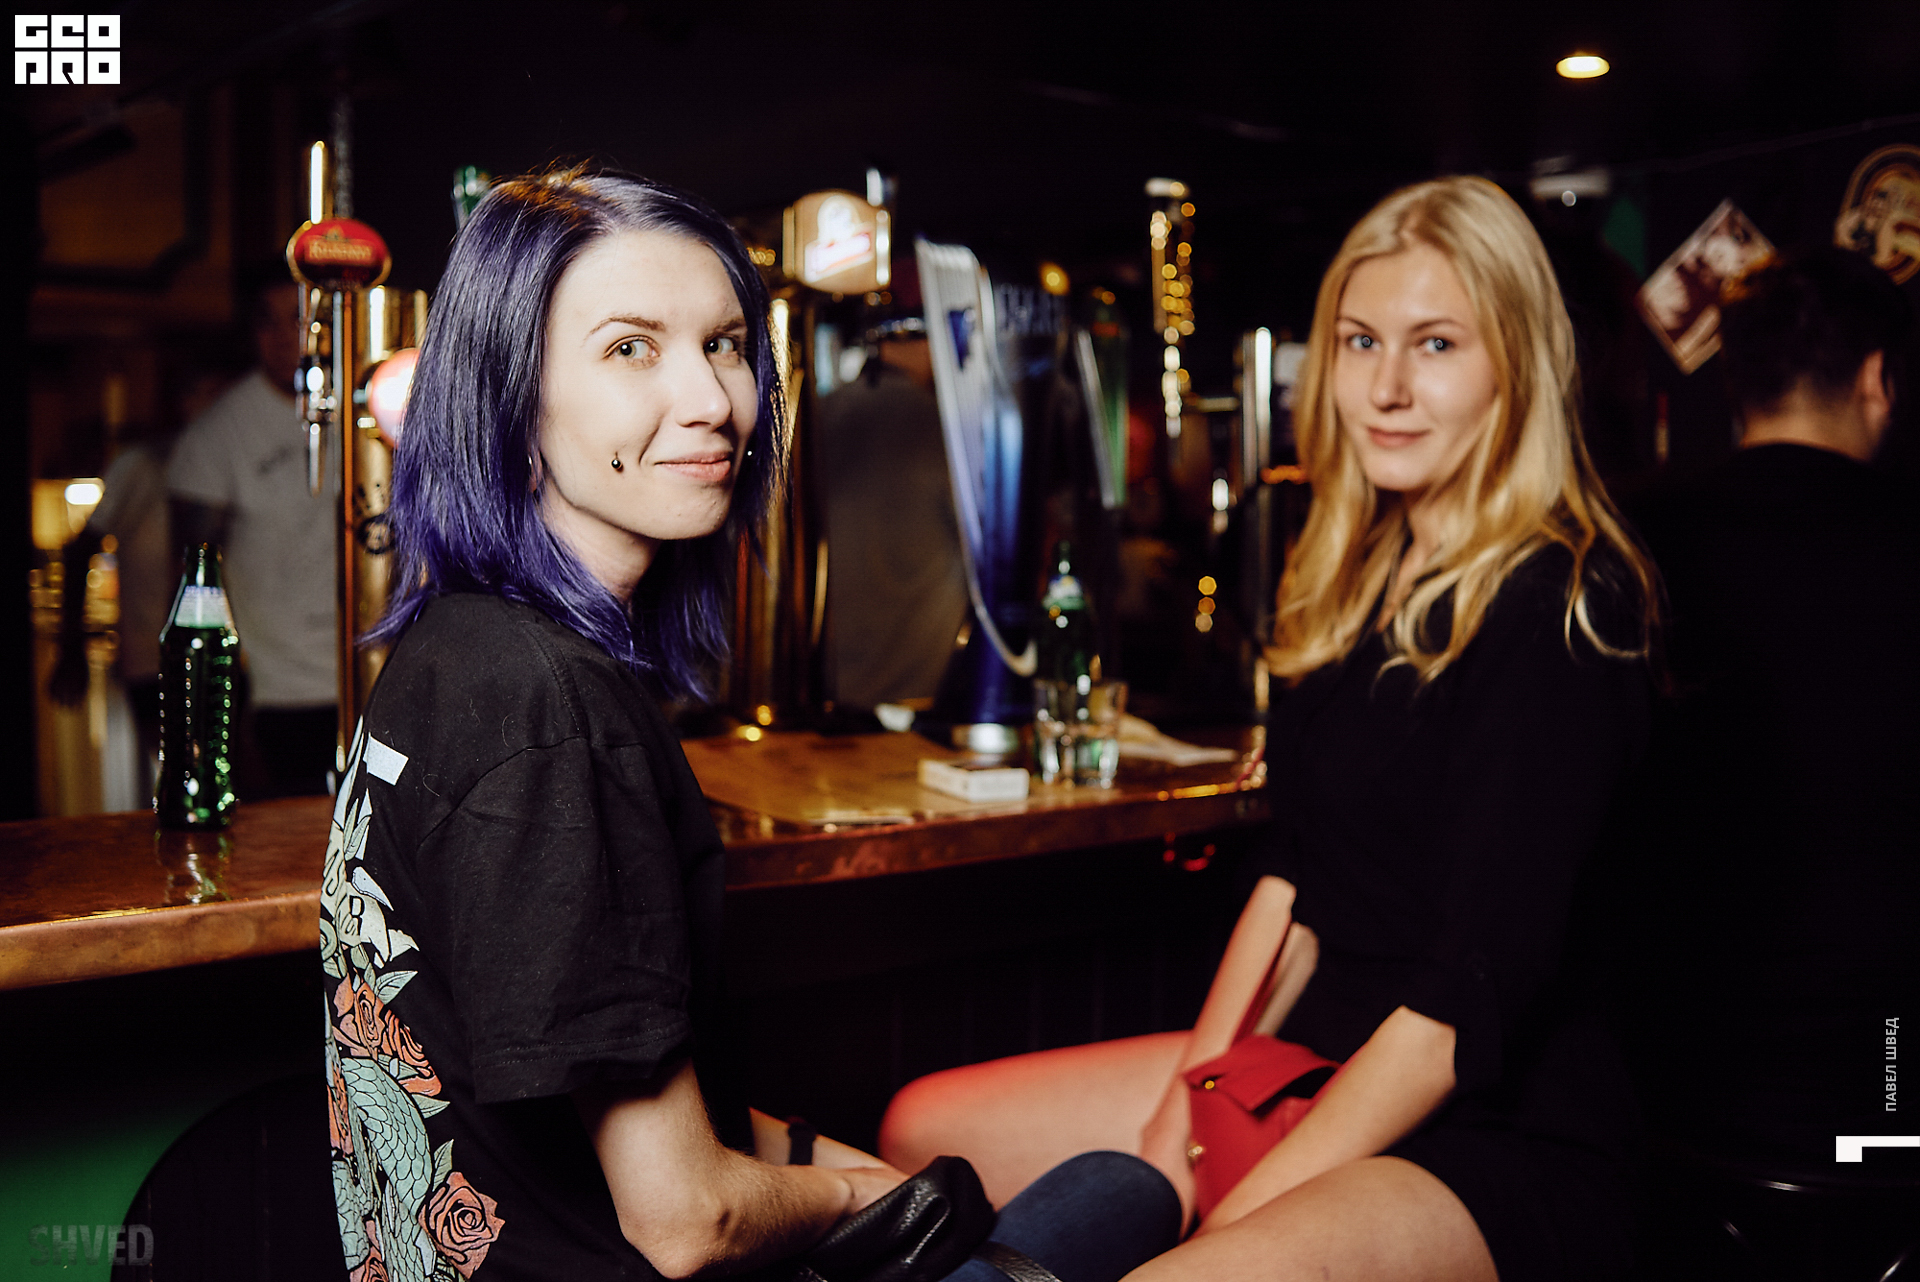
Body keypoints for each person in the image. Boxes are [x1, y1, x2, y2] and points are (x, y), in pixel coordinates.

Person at [319, 167, 1178, 1282]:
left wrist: (839, 1172)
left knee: (1085, 1194)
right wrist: (859, 1198)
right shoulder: (550, 710)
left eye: (725, 345)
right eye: (632, 348)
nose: (715, 402)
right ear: (507, 398)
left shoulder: (456, 649)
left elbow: (601, 1093)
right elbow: (686, 1224)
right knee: (1122, 1193)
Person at [880, 176, 1659, 1282]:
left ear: (1518, 365)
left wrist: (1234, 1210)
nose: (1386, 388)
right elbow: (1295, 880)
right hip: (1318, 1055)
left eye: (1437, 344)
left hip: (1497, 1127)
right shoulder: (1363, 573)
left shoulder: (1564, 604)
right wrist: (1182, 1118)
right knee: (924, 1130)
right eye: (1360, 341)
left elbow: (1462, 1006)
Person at [1626, 248, 1918, 1172]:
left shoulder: (1633, 548)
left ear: (1735, 382)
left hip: (1664, 1095)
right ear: (1877, 379)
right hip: (1881, 1089)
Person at [168, 273, 338, 797]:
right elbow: (193, 582)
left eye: (301, 319)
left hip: (370, 677)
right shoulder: (219, 434)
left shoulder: (362, 408)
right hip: (277, 693)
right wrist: (224, 705)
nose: (288, 337)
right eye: (271, 322)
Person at [816, 312, 969, 711]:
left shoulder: (817, 413)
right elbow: (992, 553)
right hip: (908, 696)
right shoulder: (944, 425)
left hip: (817, 689)